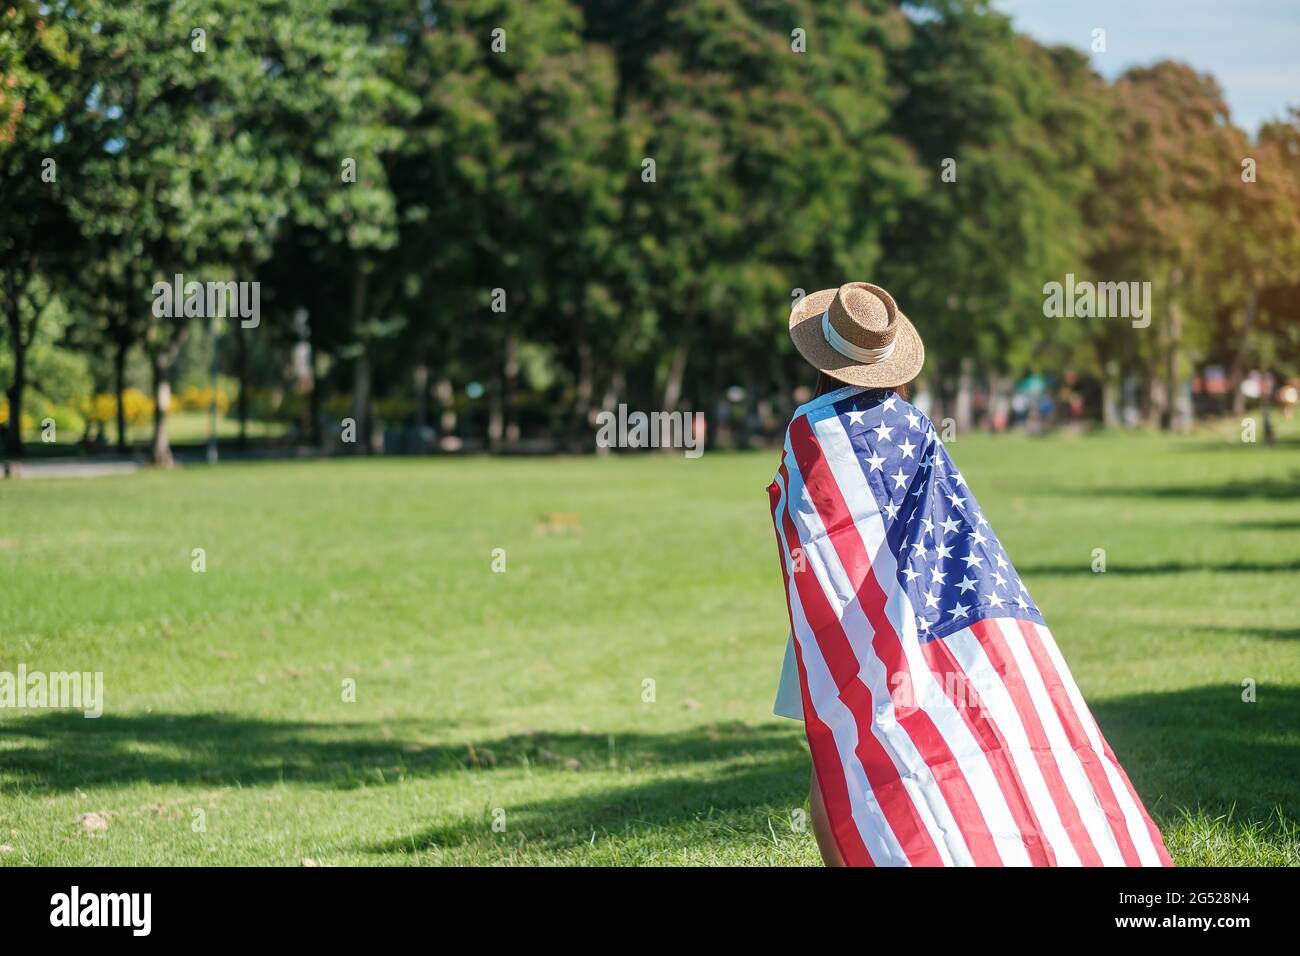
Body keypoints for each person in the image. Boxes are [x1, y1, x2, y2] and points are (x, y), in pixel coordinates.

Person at [769, 282, 1172, 867]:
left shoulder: (808, 433)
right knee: (908, 739)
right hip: (923, 605)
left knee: (835, 750)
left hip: (836, 607)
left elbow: (807, 522)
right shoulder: (913, 425)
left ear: (821, 358)